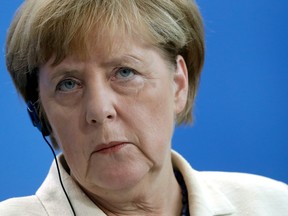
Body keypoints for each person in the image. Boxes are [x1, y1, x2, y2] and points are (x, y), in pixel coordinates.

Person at [1, 0, 287, 215]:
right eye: (68, 84)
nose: (100, 111)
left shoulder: (273, 204)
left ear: (178, 84)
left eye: (124, 72)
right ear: (41, 116)